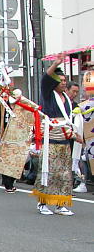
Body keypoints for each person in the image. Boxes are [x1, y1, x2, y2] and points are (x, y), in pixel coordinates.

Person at [32, 53, 83, 215]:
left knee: (65, 173)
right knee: (49, 172)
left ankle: (61, 204)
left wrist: (76, 134)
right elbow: (45, 80)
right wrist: (55, 64)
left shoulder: (67, 100)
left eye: (64, 81)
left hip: (64, 140)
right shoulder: (48, 95)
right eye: (60, 81)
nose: (63, 83)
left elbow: (68, 121)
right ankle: (43, 203)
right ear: (53, 82)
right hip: (51, 139)